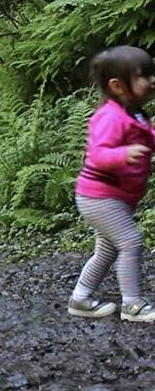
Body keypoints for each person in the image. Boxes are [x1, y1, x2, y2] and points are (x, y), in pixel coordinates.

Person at [69, 45, 155, 322]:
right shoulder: (110, 117)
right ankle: (132, 304)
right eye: (144, 76)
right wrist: (123, 154)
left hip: (116, 197)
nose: (152, 81)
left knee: (106, 249)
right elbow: (98, 154)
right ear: (117, 86)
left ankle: (81, 298)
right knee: (131, 241)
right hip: (99, 196)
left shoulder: (137, 114)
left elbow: (148, 139)